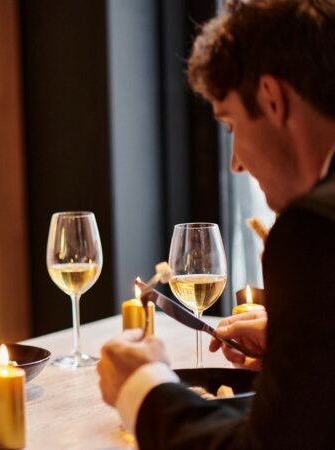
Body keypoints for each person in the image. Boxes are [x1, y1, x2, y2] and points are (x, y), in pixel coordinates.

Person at [97, 0, 335, 448]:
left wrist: (144, 387)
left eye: (230, 126)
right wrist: (300, 351)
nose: (235, 163)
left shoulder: (313, 231)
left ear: (272, 98)